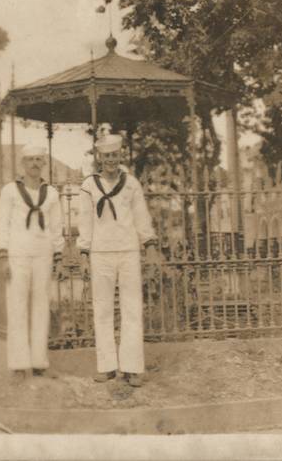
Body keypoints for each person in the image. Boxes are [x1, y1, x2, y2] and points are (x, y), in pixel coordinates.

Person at [77, 134, 161, 387]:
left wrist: (150, 246)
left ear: (120, 156)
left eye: (115, 155)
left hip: (128, 252)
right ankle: (107, 366)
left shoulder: (132, 183)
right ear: (99, 158)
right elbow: (85, 222)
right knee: (102, 309)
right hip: (100, 254)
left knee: (132, 308)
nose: (111, 160)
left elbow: (141, 217)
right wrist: (83, 253)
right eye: (106, 156)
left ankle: (132, 367)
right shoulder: (88, 186)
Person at [0, 144, 64, 380]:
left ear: (44, 163)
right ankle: (18, 364)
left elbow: (56, 228)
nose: (34, 163)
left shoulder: (51, 193)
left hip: (43, 254)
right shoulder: (10, 191)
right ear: (23, 164)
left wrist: (58, 256)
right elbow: (1, 224)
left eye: (38, 159)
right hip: (17, 254)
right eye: (30, 159)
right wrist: (3, 255)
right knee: (17, 305)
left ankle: (39, 362)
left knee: (41, 305)